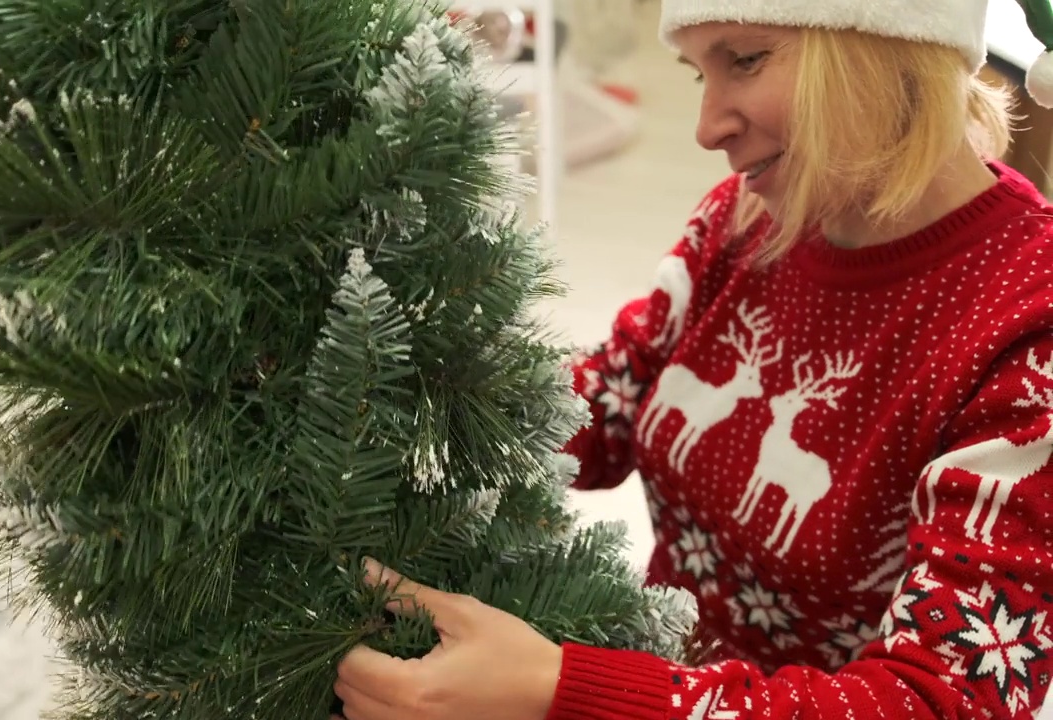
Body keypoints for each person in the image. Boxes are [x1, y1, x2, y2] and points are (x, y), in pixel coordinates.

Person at [331, 0, 1053, 719]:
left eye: (744, 58)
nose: (708, 128)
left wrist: (563, 690)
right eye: (696, 73)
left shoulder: (1030, 322)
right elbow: (605, 404)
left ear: (888, 42)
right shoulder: (743, 218)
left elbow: (948, 699)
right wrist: (398, 385)